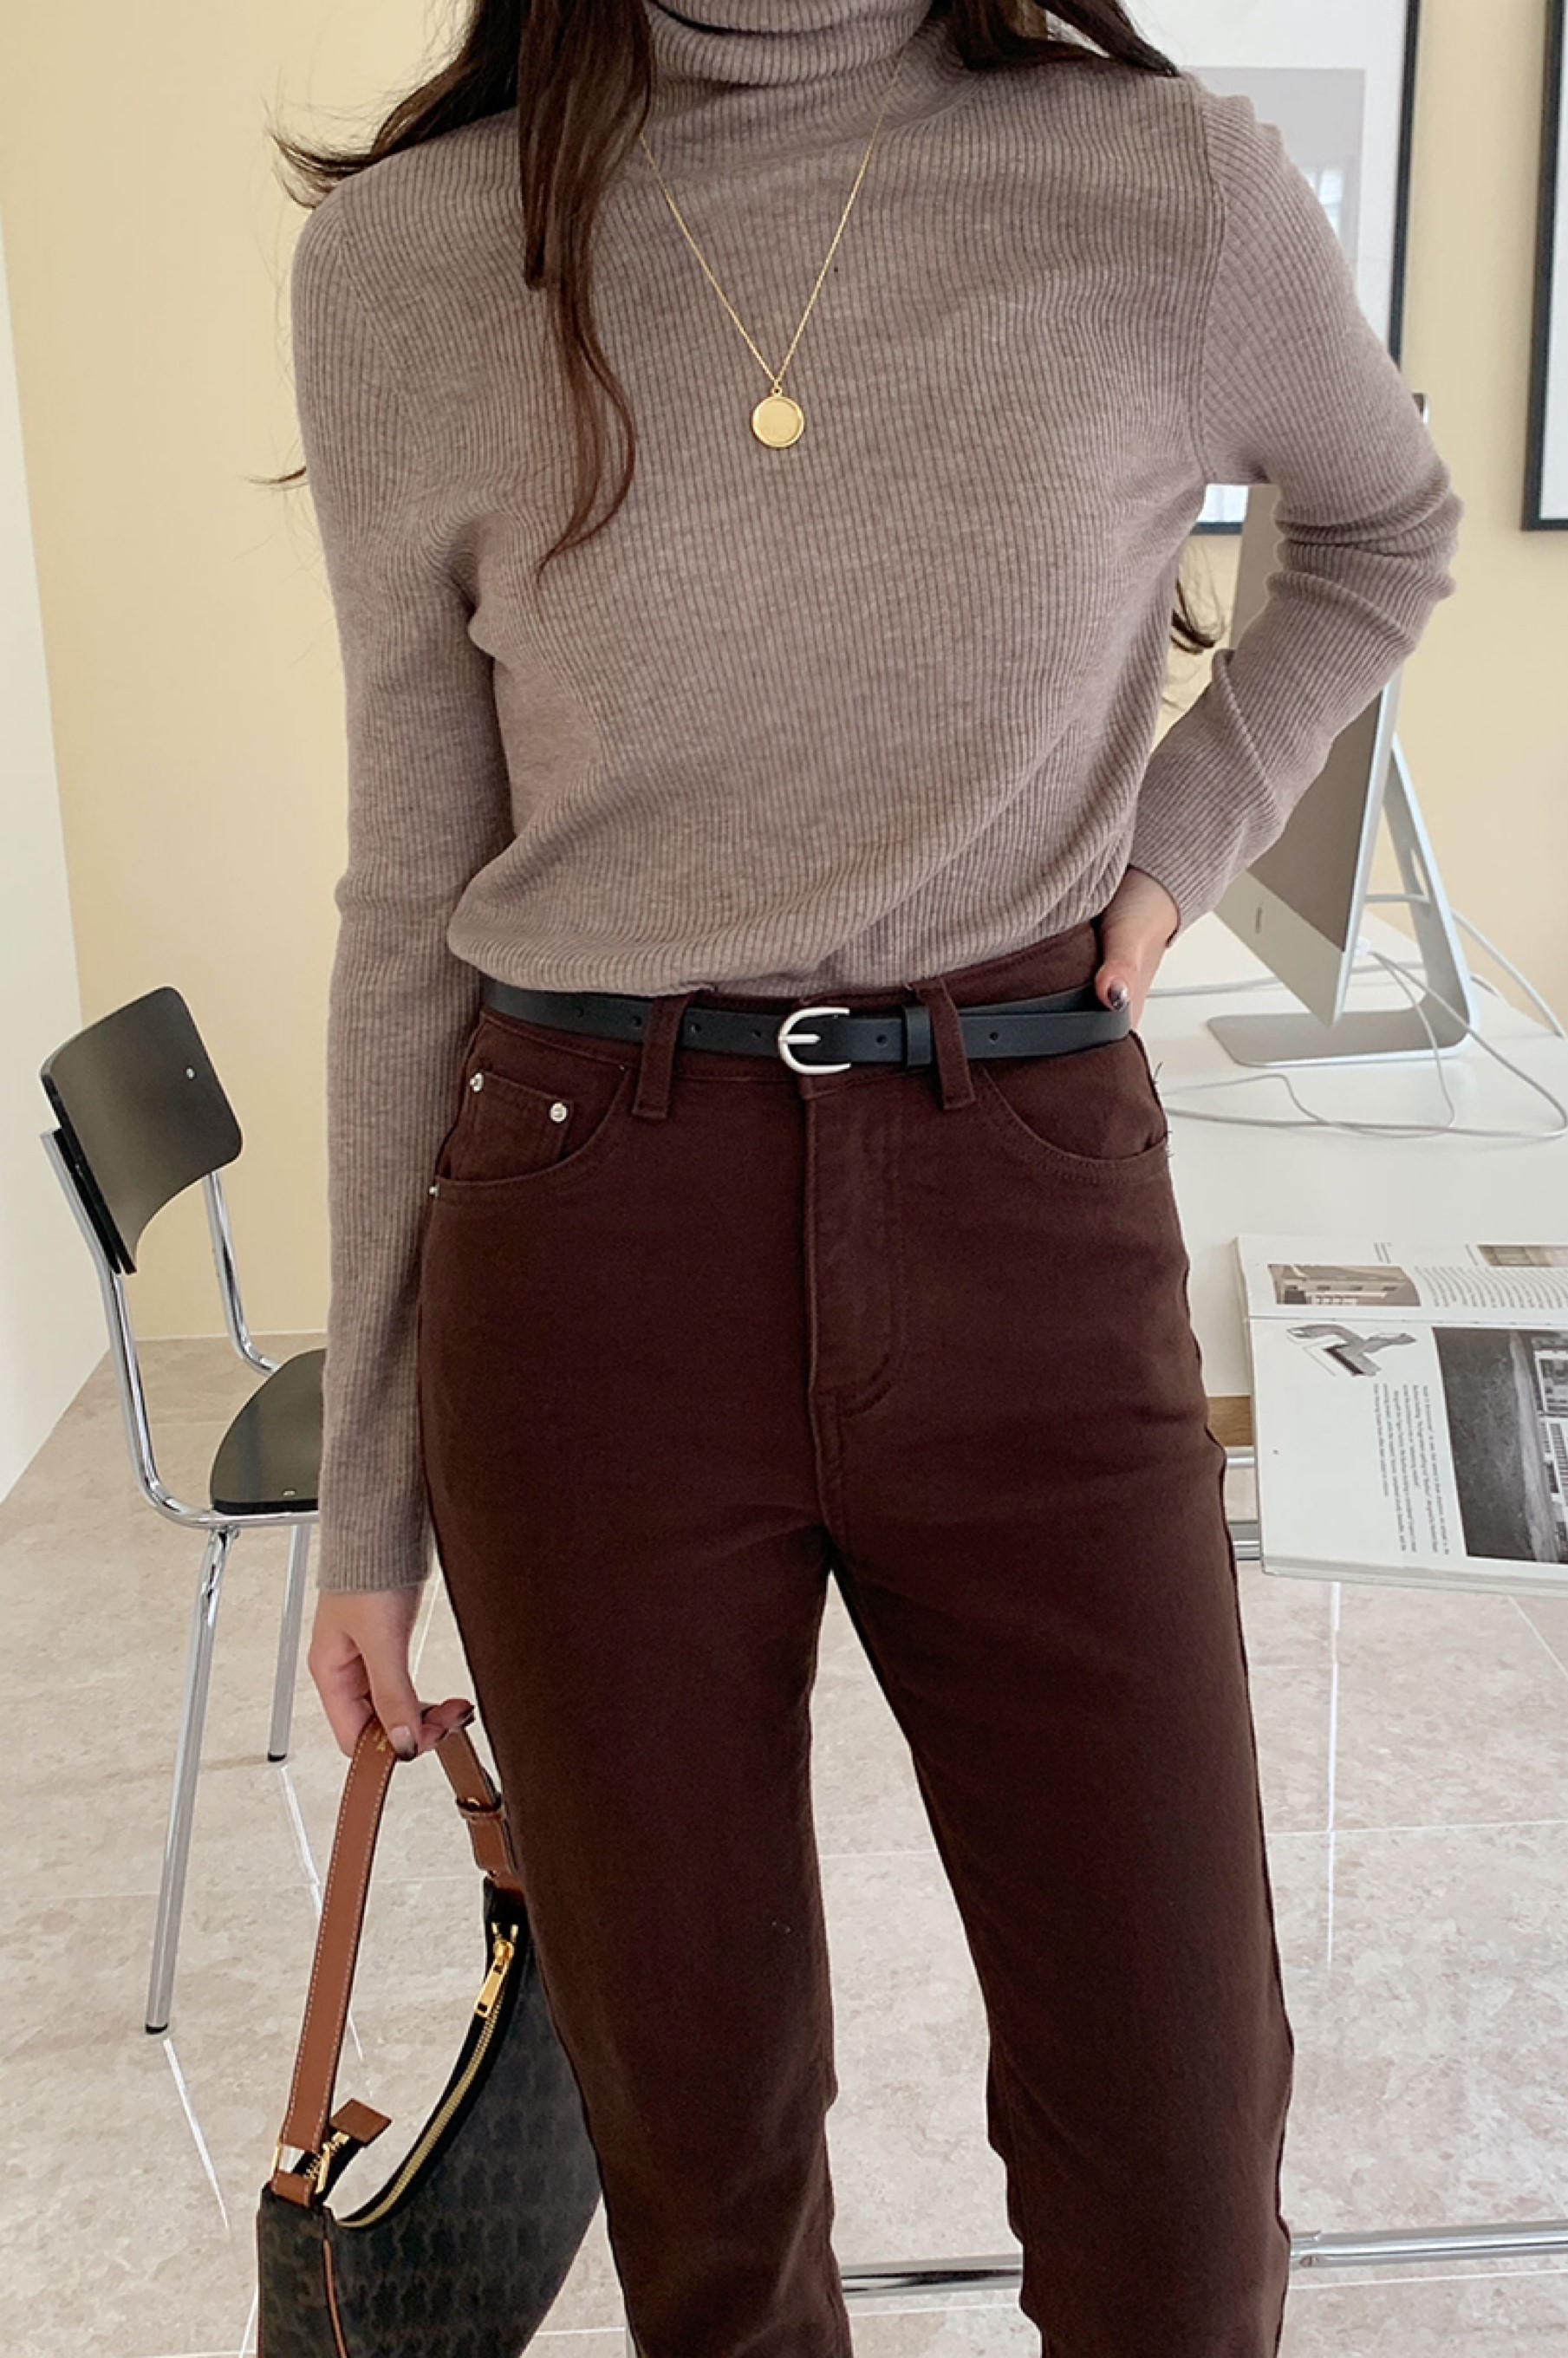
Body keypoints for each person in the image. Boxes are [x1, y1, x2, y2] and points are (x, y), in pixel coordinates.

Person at [281, 0, 1462, 2348]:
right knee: (696, 2150)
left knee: (1177, 2133)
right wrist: (367, 1491)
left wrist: (1181, 842)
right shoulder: (417, 258)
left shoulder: (1166, 188)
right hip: (585, 1229)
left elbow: (1385, 528)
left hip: (1021, 1179)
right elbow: (413, 890)